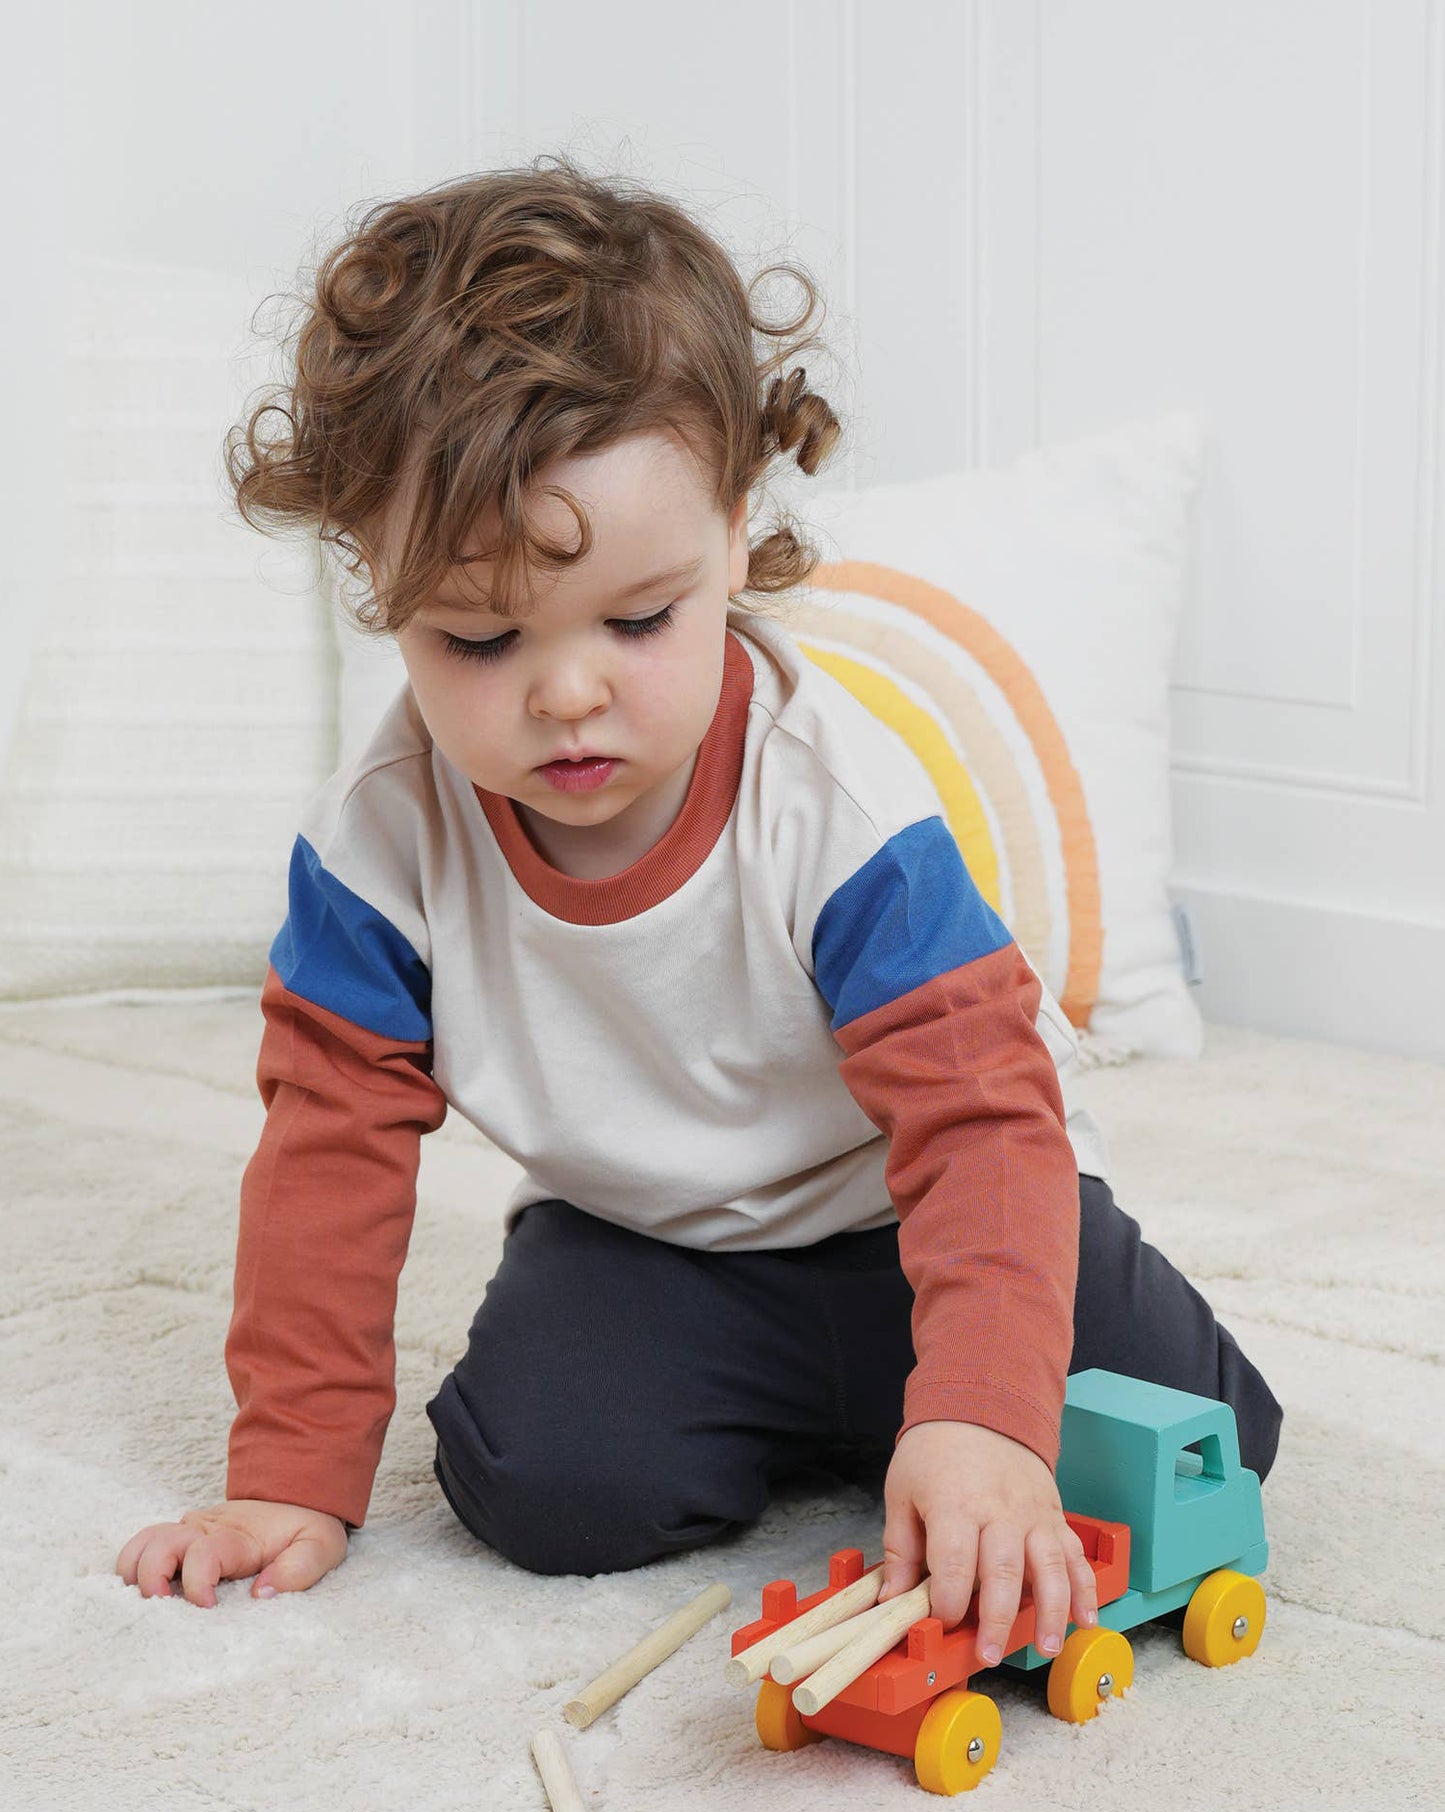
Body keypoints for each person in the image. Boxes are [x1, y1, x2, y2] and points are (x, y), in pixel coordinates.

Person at [114, 156, 1283, 1670]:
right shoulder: (376, 840)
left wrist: (985, 1411)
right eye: (477, 637)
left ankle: (926, 1406)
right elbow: (325, 1149)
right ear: (377, 587)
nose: (568, 689)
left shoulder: (830, 804)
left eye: (639, 616)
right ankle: (852, 1418)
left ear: (735, 531)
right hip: (652, 1241)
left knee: (1200, 1444)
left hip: (922, 1198)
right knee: (539, 1480)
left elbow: (982, 1121)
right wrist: (286, 1470)